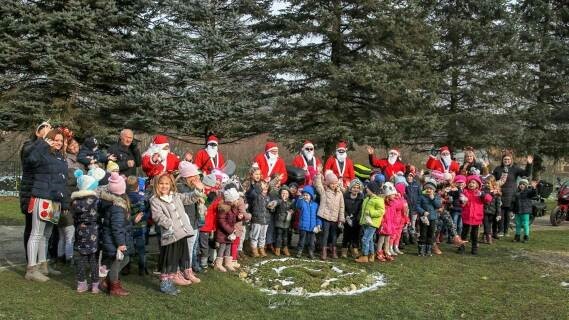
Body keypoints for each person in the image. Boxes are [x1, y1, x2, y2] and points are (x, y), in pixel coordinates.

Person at [24, 129, 67, 282]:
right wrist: (42, 143)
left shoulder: (60, 157)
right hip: (42, 198)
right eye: (55, 139)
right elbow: (30, 160)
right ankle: (31, 269)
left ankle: (43, 265)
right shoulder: (41, 152)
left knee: (46, 235)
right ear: (49, 139)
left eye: (61, 140)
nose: (58, 143)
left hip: (54, 200)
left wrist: (64, 202)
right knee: (36, 234)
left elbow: (62, 182)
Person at [150, 173, 200, 295]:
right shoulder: (155, 200)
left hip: (181, 234)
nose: (164, 186)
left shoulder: (176, 196)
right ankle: (164, 283)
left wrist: (197, 190)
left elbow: (189, 198)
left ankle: (171, 280)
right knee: (168, 260)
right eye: (161, 183)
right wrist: (169, 224)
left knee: (176, 259)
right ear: (157, 185)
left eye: (166, 183)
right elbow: (157, 216)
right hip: (170, 234)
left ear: (171, 184)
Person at [20, 121, 52, 263]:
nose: (48, 132)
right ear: (37, 132)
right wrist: (42, 141)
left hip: (44, 191)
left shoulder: (46, 146)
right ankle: (30, 260)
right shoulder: (29, 145)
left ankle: (42, 259)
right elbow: (30, 159)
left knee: (44, 229)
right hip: (30, 191)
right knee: (31, 227)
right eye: (45, 130)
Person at [99, 172, 132, 296]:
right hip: (115, 241)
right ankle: (114, 286)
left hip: (114, 238)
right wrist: (120, 243)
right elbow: (117, 227)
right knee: (118, 261)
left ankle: (107, 281)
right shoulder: (117, 207)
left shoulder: (116, 203)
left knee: (125, 259)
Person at [70, 170, 101, 293]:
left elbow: (74, 217)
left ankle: (81, 284)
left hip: (80, 231)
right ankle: (94, 285)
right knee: (93, 259)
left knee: (81, 259)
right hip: (93, 230)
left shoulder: (75, 202)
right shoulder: (95, 201)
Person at [492, 151, 533, 237]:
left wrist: (529, 164)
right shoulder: (498, 169)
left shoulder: (515, 169)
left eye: (508, 159)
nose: (506, 160)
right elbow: (492, 180)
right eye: (505, 159)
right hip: (500, 193)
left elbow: (526, 174)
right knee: (500, 213)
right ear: (502, 160)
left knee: (508, 213)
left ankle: (506, 231)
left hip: (511, 194)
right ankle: (500, 231)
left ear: (511, 160)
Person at [313, 170, 345, 260]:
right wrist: (318, 175)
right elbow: (318, 185)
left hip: (335, 219)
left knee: (334, 235)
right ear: (328, 184)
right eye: (331, 184)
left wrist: (341, 219)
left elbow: (342, 207)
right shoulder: (324, 192)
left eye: (335, 183)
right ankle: (324, 252)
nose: (333, 185)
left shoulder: (340, 193)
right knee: (325, 235)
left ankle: (334, 251)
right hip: (326, 217)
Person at [458, 175, 493, 255]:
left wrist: (482, 194)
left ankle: (474, 248)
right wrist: (462, 200)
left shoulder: (480, 193)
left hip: (476, 217)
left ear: (477, 184)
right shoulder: (465, 192)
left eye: (473, 182)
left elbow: (489, 199)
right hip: (467, 216)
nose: (471, 184)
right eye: (469, 182)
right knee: (464, 233)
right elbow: (461, 203)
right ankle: (461, 246)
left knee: (474, 234)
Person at [355, 181, 385, 263]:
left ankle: (365, 256)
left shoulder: (378, 200)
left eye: (367, 188)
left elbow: (381, 211)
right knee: (370, 239)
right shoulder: (367, 198)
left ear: (372, 189)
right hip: (366, 222)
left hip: (372, 223)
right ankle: (371, 255)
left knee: (365, 239)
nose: (366, 189)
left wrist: (371, 213)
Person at [214, 188, 243, 272]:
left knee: (228, 247)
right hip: (223, 233)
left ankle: (227, 263)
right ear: (232, 200)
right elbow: (221, 221)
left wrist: (238, 218)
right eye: (237, 199)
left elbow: (232, 220)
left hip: (230, 232)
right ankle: (218, 264)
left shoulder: (233, 208)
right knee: (222, 247)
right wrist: (230, 230)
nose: (238, 201)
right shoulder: (224, 208)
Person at [126, 176, 150, 276]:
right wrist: (144, 216)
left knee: (128, 248)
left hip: (128, 227)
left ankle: (126, 267)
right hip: (141, 227)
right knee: (141, 249)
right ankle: (142, 268)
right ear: (138, 186)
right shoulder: (143, 198)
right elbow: (147, 213)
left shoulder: (124, 198)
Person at [245, 180, 272, 257]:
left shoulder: (268, 197)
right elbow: (255, 191)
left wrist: (271, 207)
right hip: (257, 219)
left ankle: (261, 248)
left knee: (263, 236)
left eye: (266, 189)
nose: (264, 191)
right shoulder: (256, 196)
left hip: (265, 220)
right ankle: (254, 249)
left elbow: (269, 209)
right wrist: (260, 186)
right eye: (263, 189)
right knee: (255, 235)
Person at [416, 179, 442, 257]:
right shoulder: (421, 196)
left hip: (433, 218)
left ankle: (428, 250)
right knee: (423, 234)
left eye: (430, 189)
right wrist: (423, 212)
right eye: (427, 188)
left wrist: (432, 198)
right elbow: (417, 206)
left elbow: (438, 205)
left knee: (431, 234)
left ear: (433, 190)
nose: (429, 190)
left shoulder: (436, 196)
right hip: (424, 218)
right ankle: (421, 250)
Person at [295, 186, 320, 259]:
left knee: (311, 242)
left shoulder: (315, 205)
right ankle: (299, 251)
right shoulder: (302, 203)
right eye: (304, 195)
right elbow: (297, 205)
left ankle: (311, 252)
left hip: (313, 227)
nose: (305, 196)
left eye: (307, 195)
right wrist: (300, 197)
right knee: (302, 240)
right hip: (303, 226)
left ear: (311, 196)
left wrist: (318, 224)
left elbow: (317, 216)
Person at [342, 179, 364, 258]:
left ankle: (355, 249)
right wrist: (346, 216)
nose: (356, 189)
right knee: (346, 235)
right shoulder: (345, 196)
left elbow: (361, 209)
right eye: (354, 187)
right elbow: (343, 207)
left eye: (357, 188)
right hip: (347, 218)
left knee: (356, 235)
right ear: (351, 188)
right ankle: (344, 249)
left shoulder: (361, 198)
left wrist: (357, 219)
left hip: (356, 219)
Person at [376, 182, 398, 262]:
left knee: (388, 239)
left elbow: (395, 212)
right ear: (388, 195)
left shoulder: (393, 203)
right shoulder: (383, 203)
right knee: (381, 239)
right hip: (384, 224)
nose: (395, 196)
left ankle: (386, 251)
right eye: (393, 194)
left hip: (390, 224)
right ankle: (379, 252)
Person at [270, 186, 294, 256]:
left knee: (285, 236)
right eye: (283, 193)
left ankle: (285, 248)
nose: (284, 195)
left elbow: (293, 209)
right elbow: (274, 206)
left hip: (286, 221)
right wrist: (281, 201)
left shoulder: (290, 202)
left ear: (289, 194)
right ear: (280, 194)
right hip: (279, 221)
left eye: (286, 193)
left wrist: (291, 211)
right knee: (279, 236)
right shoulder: (278, 201)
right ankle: (278, 248)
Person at [482, 175, 502, 244]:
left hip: (492, 211)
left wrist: (498, 214)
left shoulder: (497, 193)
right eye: (486, 183)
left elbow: (498, 204)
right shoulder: (483, 191)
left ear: (493, 183)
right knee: (486, 224)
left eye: (488, 183)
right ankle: (489, 237)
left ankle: (485, 236)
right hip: (484, 210)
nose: (487, 184)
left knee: (488, 224)